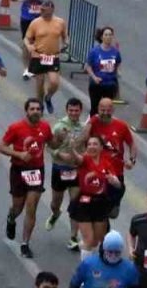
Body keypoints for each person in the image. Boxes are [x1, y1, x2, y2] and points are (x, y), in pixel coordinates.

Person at [0, 98, 52, 259]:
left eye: (38, 109)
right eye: (32, 109)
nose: (36, 111)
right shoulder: (16, 128)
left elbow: (52, 143)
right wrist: (19, 154)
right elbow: (1, 146)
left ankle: (25, 244)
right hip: (18, 170)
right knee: (18, 207)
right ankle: (11, 218)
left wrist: (61, 139)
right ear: (27, 111)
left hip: (36, 170)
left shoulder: (45, 127)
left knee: (31, 207)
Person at [84, 97, 137, 219]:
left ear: (113, 110)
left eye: (108, 110)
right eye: (102, 110)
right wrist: (90, 122)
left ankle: (107, 215)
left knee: (112, 213)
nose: (105, 113)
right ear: (98, 110)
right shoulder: (94, 123)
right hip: (97, 172)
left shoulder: (121, 126)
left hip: (116, 173)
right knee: (98, 209)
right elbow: (83, 139)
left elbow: (132, 144)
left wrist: (132, 160)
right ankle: (99, 232)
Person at [45, 97, 87, 251]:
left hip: (76, 169)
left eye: (76, 111)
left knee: (76, 203)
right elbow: (48, 147)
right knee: (55, 202)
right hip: (60, 168)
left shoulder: (85, 128)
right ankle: (55, 214)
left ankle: (73, 237)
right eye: (71, 110)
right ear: (66, 110)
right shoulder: (59, 127)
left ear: (81, 111)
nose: (74, 113)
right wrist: (59, 154)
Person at [69, 135, 120, 259]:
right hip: (84, 202)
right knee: (89, 240)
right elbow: (77, 159)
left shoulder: (106, 163)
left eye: (95, 144)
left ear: (101, 147)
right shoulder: (85, 159)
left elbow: (118, 184)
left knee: (96, 241)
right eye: (89, 144)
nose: (92, 146)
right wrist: (72, 149)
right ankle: (85, 272)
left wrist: (114, 181)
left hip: (100, 203)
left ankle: (85, 246)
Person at [24, 0, 70, 113]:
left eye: (45, 10)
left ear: (52, 10)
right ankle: (39, 108)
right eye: (41, 10)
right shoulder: (35, 22)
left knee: (54, 82)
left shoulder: (60, 22)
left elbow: (65, 36)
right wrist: (29, 46)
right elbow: (26, 38)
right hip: (38, 55)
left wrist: (66, 43)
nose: (42, 12)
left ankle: (48, 97)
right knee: (39, 84)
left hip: (53, 57)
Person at [11, 0, 52, 78]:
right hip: (26, 18)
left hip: (40, 19)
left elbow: (48, 0)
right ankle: (26, 69)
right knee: (26, 43)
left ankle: (37, 66)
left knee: (39, 43)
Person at [69, 231, 140, 287]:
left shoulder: (130, 269)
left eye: (117, 252)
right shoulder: (88, 264)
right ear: (104, 250)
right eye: (110, 252)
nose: (113, 255)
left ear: (121, 251)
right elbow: (74, 284)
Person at [85, 26, 122, 115]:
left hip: (110, 84)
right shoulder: (94, 51)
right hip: (97, 84)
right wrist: (94, 77)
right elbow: (87, 66)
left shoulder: (115, 52)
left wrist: (117, 72)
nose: (108, 37)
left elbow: (118, 63)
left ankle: (105, 126)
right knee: (95, 108)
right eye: (106, 35)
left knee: (107, 108)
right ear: (102, 37)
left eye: (110, 35)